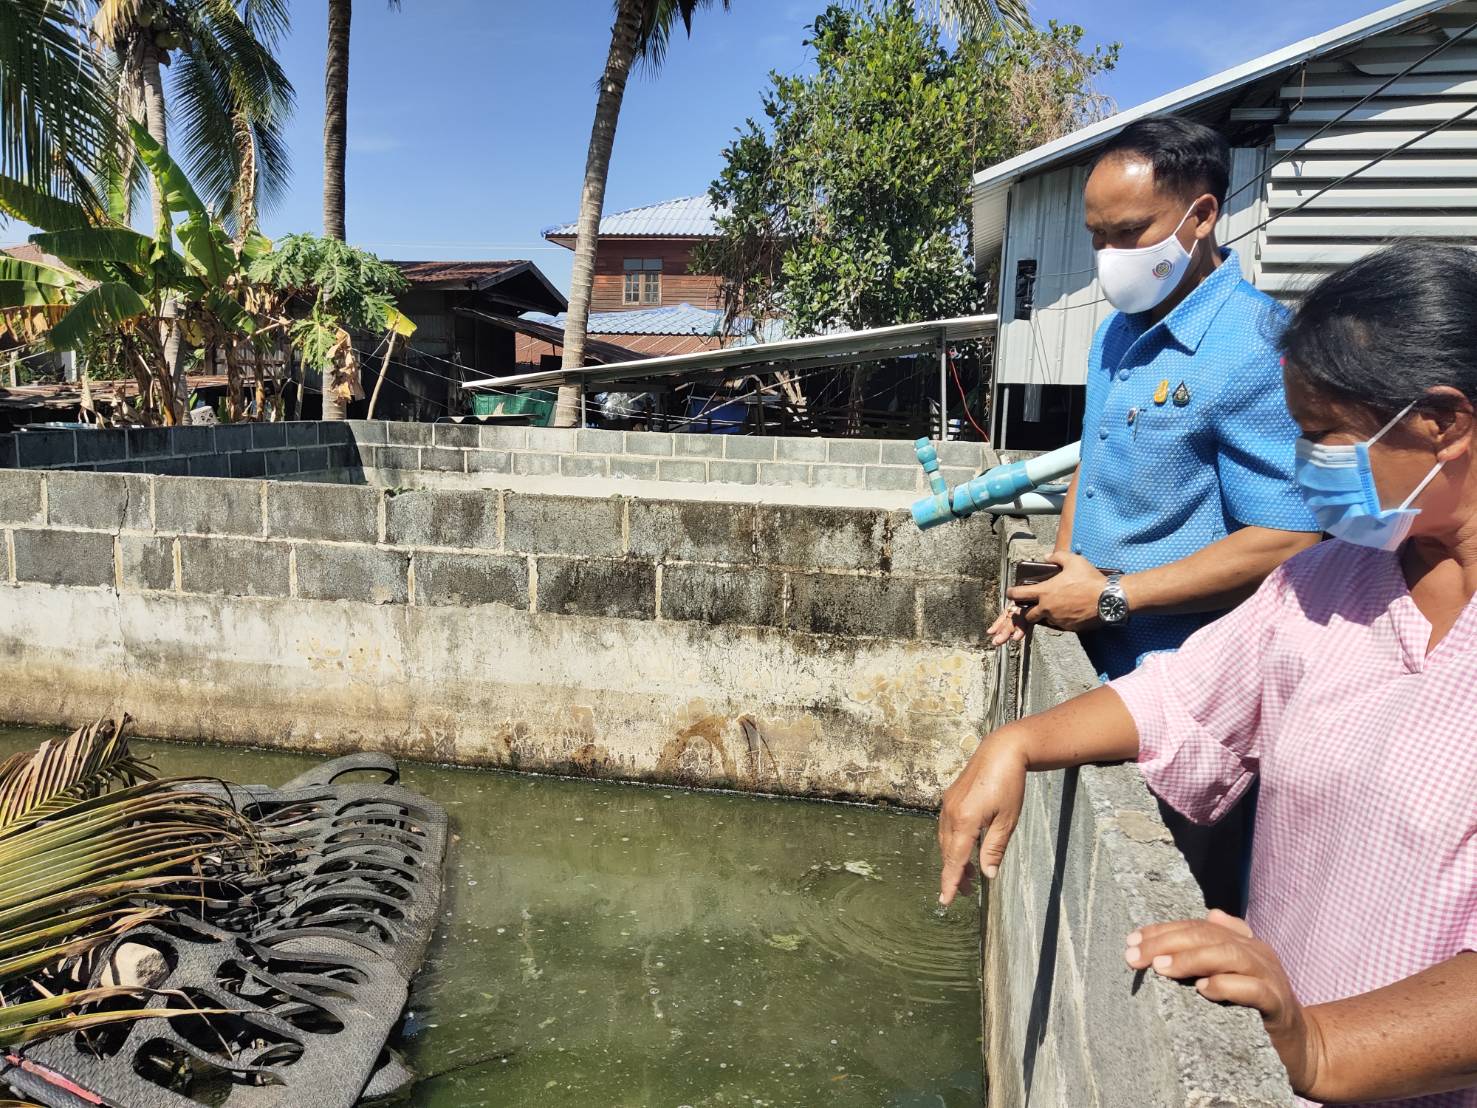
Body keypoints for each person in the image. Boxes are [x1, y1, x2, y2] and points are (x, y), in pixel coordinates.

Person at [943, 242, 1477, 1107]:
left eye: (1325, 438)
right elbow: (1179, 697)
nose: (1306, 469)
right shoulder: (1327, 581)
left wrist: (1323, 1045)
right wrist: (1020, 742)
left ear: (1441, 423)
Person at [989, 115, 1321, 910]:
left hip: (1189, 697)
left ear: (1200, 216)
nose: (1109, 257)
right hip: (1099, 669)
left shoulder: (1253, 348)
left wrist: (1109, 597)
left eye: (1129, 232)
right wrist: (1055, 575)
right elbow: (1091, 466)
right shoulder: (1113, 336)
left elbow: (1288, 539)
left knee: (1164, 908)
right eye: (1096, 235)